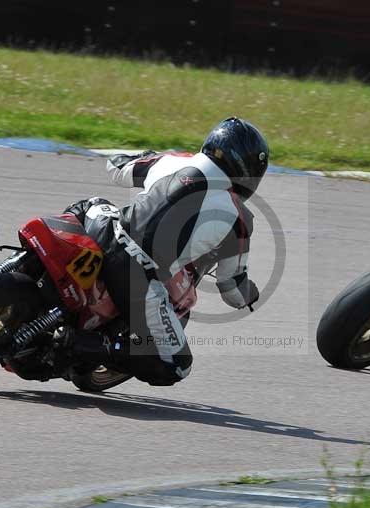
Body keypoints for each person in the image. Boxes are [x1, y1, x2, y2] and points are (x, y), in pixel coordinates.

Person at [63, 117, 268, 385]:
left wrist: (145, 157)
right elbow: (232, 288)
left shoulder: (174, 160)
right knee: (177, 366)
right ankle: (80, 343)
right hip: (137, 273)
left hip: (104, 228)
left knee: (93, 203)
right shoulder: (240, 218)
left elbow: (116, 167)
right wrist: (250, 295)